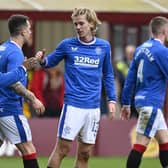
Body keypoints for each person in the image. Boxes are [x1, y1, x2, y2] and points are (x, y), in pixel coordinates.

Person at [37, 8, 116, 168]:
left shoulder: (104, 46)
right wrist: (42, 60)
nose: (78, 27)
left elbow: (108, 74)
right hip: (73, 105)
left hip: (93, 108)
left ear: (92, 23)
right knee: (62, 150)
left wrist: (112, 99)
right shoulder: (67, 45)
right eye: (75, 24)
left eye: (81, 23)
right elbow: (50, 62)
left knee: (85, 154)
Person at [121, 16, 168, 168]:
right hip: (151, 103)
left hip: (141, 101)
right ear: (164, 31)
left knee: (165, 141)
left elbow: (130, 79)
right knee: (140, 145)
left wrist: (126, 103)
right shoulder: (161, 51)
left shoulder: (140, 49)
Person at [0, 14, 45, 168]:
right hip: (9, 108)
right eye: (30, 29)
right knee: (28, 149)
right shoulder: (15, 53)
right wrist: (33, 98)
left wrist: (29, 64)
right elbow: (13, 82)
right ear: (23, 32)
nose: (31, 32)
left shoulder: (3, 48)